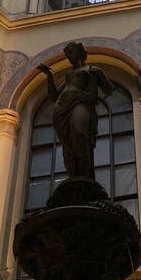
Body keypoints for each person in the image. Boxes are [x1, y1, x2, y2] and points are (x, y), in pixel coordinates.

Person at [37, 41, 113, 179]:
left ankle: (85, 174)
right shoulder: (69, 75)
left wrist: (97, 79)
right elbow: (54, 96)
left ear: (79, 52)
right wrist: (49, 76)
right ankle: (75, 175)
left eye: (70, 53)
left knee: (79, 134)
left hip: (81, 103)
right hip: (62, 108)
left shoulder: (92, 70)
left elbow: (109, 89)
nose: (69, 57)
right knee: (68, 143)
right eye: (67, 55)